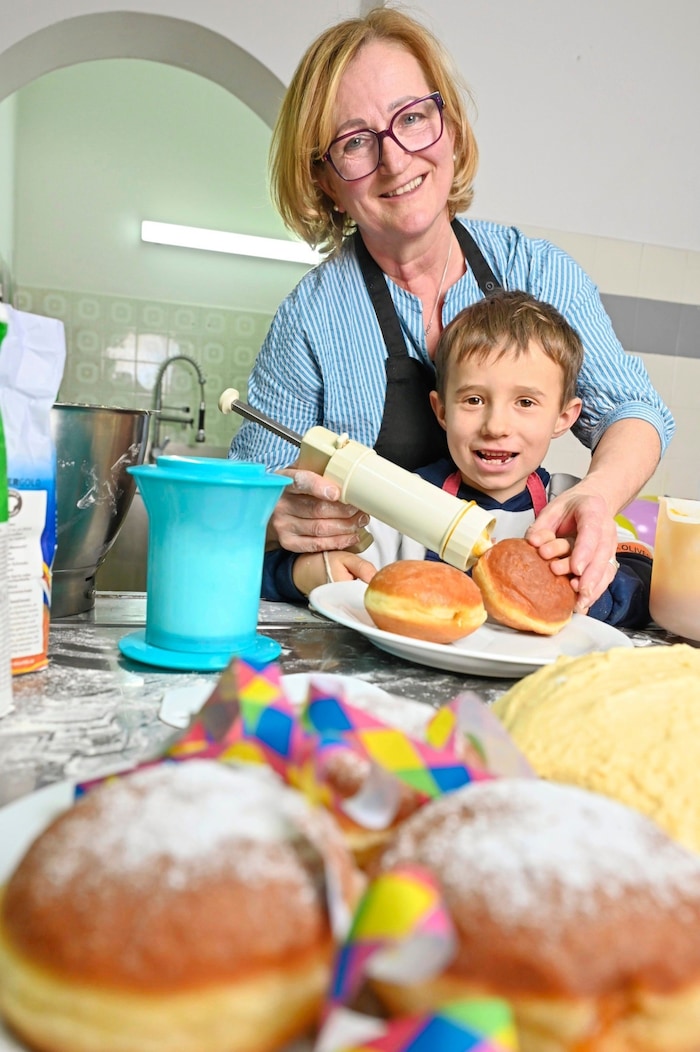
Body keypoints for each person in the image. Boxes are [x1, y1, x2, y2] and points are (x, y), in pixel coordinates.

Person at [230, 6, 673, 612]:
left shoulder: (537, 271)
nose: (396, 159)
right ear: (327, 180)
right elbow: (242, 502)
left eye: (411, 118)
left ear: (451, 129)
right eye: (355, 142)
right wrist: (272, 515)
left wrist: (597, 495)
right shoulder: (311, 318)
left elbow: (636, 413)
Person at [263, 291, 653, 629]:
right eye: (473, 400)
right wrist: (300, 575)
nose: (496, 426)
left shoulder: (570, 505)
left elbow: (646, 586)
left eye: (526, 402)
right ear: (442, 410)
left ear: (564, 417)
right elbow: (258, 574)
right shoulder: (402, 500)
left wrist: (588, 584)